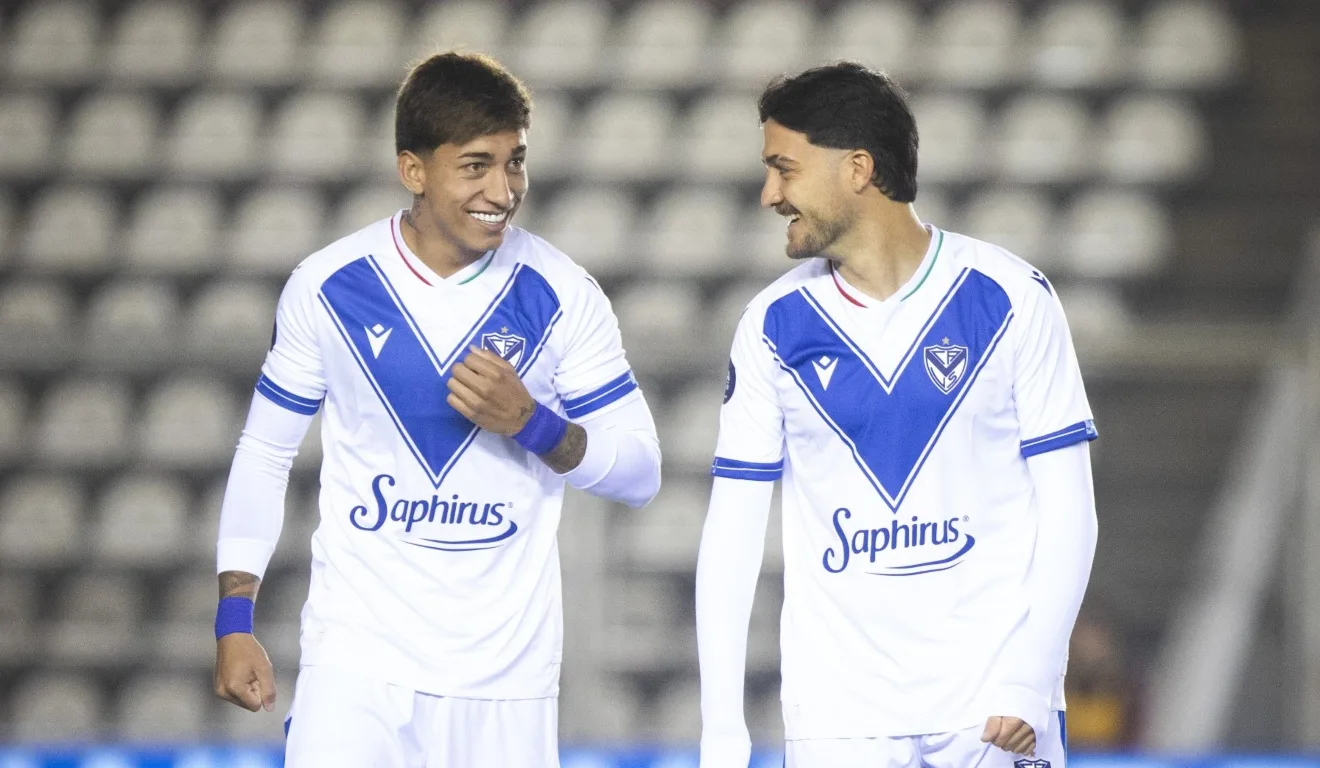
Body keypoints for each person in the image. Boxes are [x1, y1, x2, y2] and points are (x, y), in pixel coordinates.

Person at [211, 52, 662, 768]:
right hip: (357, 663)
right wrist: (235, 617)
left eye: (515, 163)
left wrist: (535, 425)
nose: (503, 189)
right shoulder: (329, 286)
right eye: (476, 165)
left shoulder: (563, 293)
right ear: (413, 170)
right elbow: (265, 453)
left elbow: (640, 471)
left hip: (506, 682)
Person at [695, 62, 1099, 768]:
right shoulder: (771, 326)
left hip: (993, 705)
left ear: (857, 168)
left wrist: (1032, 676)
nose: (768, 194)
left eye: (784, 169)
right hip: (837, 716)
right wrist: (721, 724)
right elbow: (730, 536)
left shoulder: (1010, 297)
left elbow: (1071, 509)